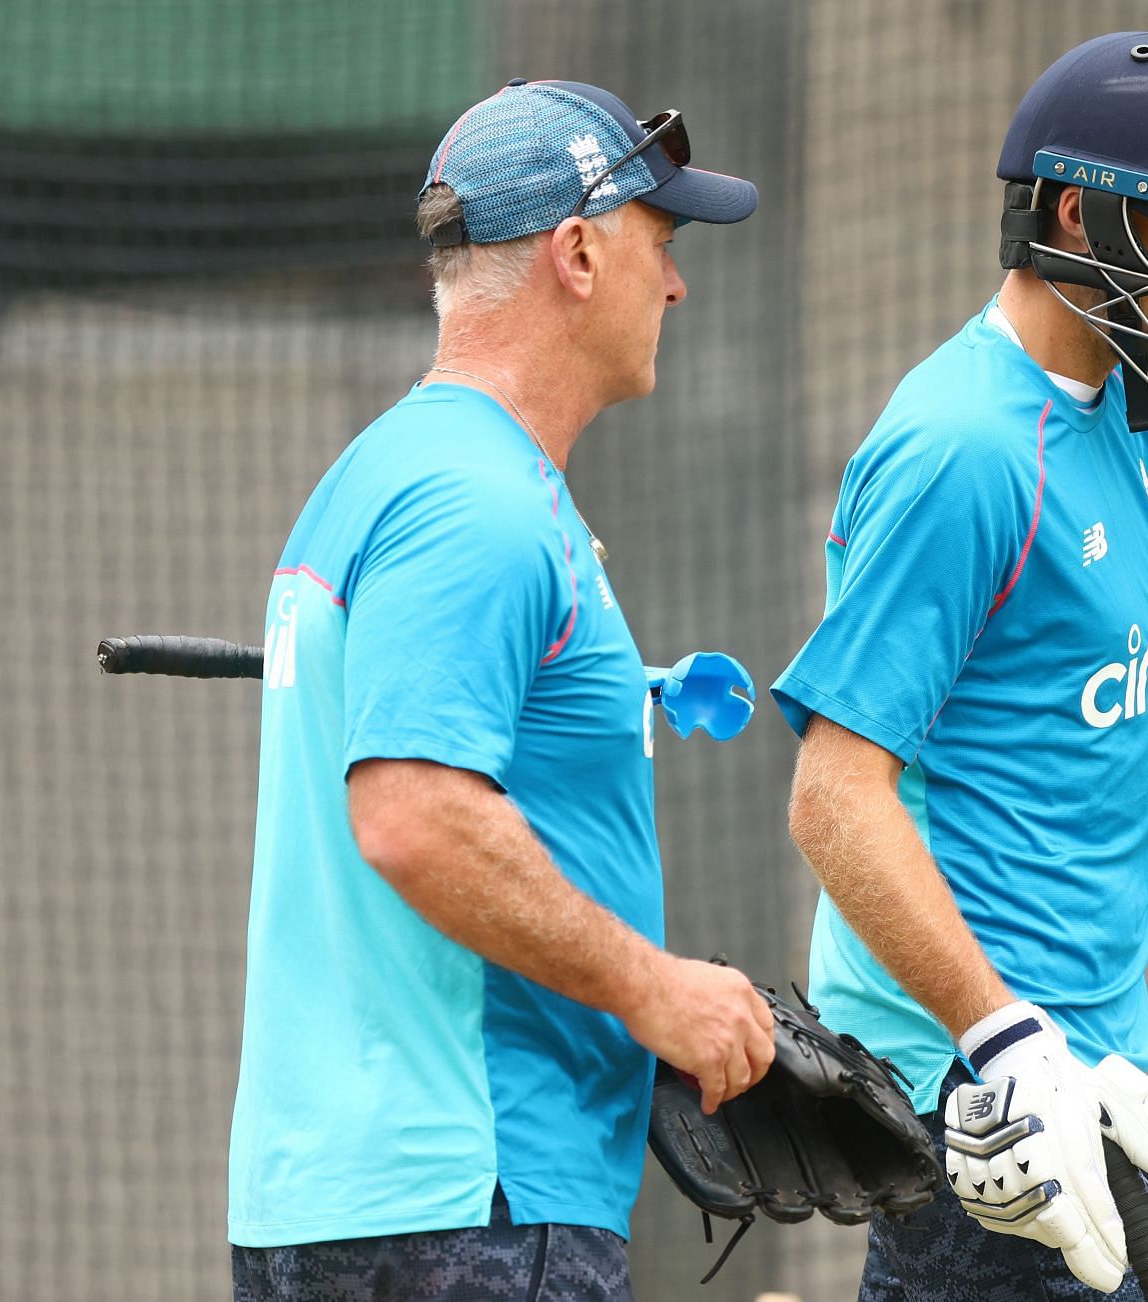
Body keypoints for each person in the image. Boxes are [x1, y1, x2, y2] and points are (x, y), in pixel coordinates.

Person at [773, 31, 1148, 1300]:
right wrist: (1001, 1038)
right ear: (1079, 215)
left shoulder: (1113, 401)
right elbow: (833, 797)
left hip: (1092, 1089)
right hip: (997, 1130)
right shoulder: (967, 451)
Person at [226, 79, 775, 1302]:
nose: (676, 284)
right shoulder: (477, 506)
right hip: (469, 1205)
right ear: (578, 253)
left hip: (355, 1200)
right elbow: (412, 813)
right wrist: (655, 990)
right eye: (661, 241)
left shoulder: (388, 475)